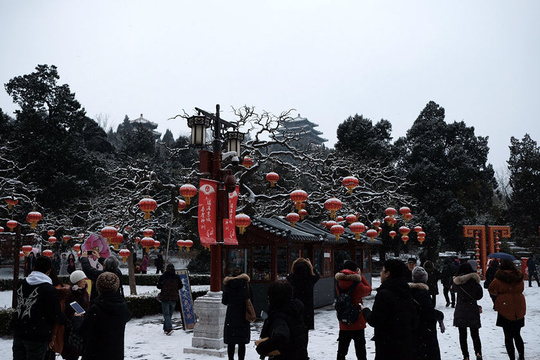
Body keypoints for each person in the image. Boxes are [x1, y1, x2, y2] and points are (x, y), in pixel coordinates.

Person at [361, 259, 416, 360]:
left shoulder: (384, 294)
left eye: (383, 271)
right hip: (405, 343)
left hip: (387, 345)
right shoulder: (407, 291)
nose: (381, 273)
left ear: (388, 274)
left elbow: (375, 320)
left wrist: (365, 311)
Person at [13, 256, 66, 360]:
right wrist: (64, 318)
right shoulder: (48, 289)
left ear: (34, 268)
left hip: (19, 331)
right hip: (38, 335)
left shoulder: (22, 284)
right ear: (48, 271)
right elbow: (54, 313)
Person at [78, 272, 132, 360]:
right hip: (115, 353)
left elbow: (82, 331)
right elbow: (128, 316)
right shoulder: (122, 306)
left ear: (98, 287)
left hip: (95, 353)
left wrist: (77, 319)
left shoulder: (96, 308)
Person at [256, 280, 308, 360]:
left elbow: (281, 336)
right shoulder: (294, 310)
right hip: (299, 354)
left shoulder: (279, 316)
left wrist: (263, 347)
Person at [488, 259, 526, 360]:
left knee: (508, 336)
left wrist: (500, 296)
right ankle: (521, 356)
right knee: (517, 334)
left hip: (505, 307)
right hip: (518, 306)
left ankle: (512, 357)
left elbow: (491, 289)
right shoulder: (519, 277)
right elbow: (522, 288)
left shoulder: (499, 278)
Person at [334, 260, 372, 360]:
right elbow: (368, 289)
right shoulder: (357, 285)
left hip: (344, 321)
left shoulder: (338, 282)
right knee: (360, 351)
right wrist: (361, 277)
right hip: (357, 321)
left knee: (341, 351)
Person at [410, 266, 444, 360]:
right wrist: (440, 315)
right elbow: (428, 311)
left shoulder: (408, 292)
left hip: (414, 330)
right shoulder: (423, 293)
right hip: (425, 330)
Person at [451, 262, 483, 360]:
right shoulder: (474, 282)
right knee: (475, 334)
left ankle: (466, 356)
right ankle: (478, 353)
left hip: (461, 310)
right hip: (472, 309)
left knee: (462, 335)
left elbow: (451, 290)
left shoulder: (458, 283)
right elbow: (480, 295)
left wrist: (454, 279)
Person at [286, 257, 319, 350]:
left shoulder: (292, 279)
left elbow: (289, 276)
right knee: (305, 332)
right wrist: (310, 265)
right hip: (307, 308)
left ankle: (295, 350)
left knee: (294, 330)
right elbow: (316, 276)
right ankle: (304, 350)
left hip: (294, 308)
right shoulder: (310, 280)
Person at [222, 268, 252, 360]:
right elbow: (251, 300)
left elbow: (224, 301)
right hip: (243, 315)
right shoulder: (246, 285)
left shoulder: (228, 285)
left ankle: (230, 358)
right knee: (241, 342)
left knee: (231, 341)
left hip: (231, 315)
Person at [62, 270, 91, 360]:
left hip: (82, 325)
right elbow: (69, 310)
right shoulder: (70, 294)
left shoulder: (84, 292)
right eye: (83, 279)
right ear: (77, 281)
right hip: (71, 329)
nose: (85, 281)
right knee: (72, 354)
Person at [157, 263, 183, 335]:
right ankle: (166, 328)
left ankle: (169, 328)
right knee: (170, 314)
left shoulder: (163, 277)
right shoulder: (176, 277)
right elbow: (180, 286)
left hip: (165, 297)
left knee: (166, 314)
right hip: (174, 297)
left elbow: (158, 286)